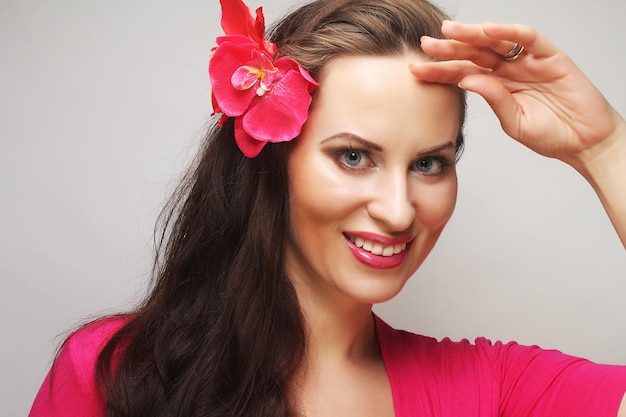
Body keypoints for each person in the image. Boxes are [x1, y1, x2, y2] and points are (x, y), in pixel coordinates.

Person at [29, 0, 626, 415]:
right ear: (274, 160)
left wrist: (605, 148)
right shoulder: (119, 370)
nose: (398, 211)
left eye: (429, 163)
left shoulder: (489, 389)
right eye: (353, 157)